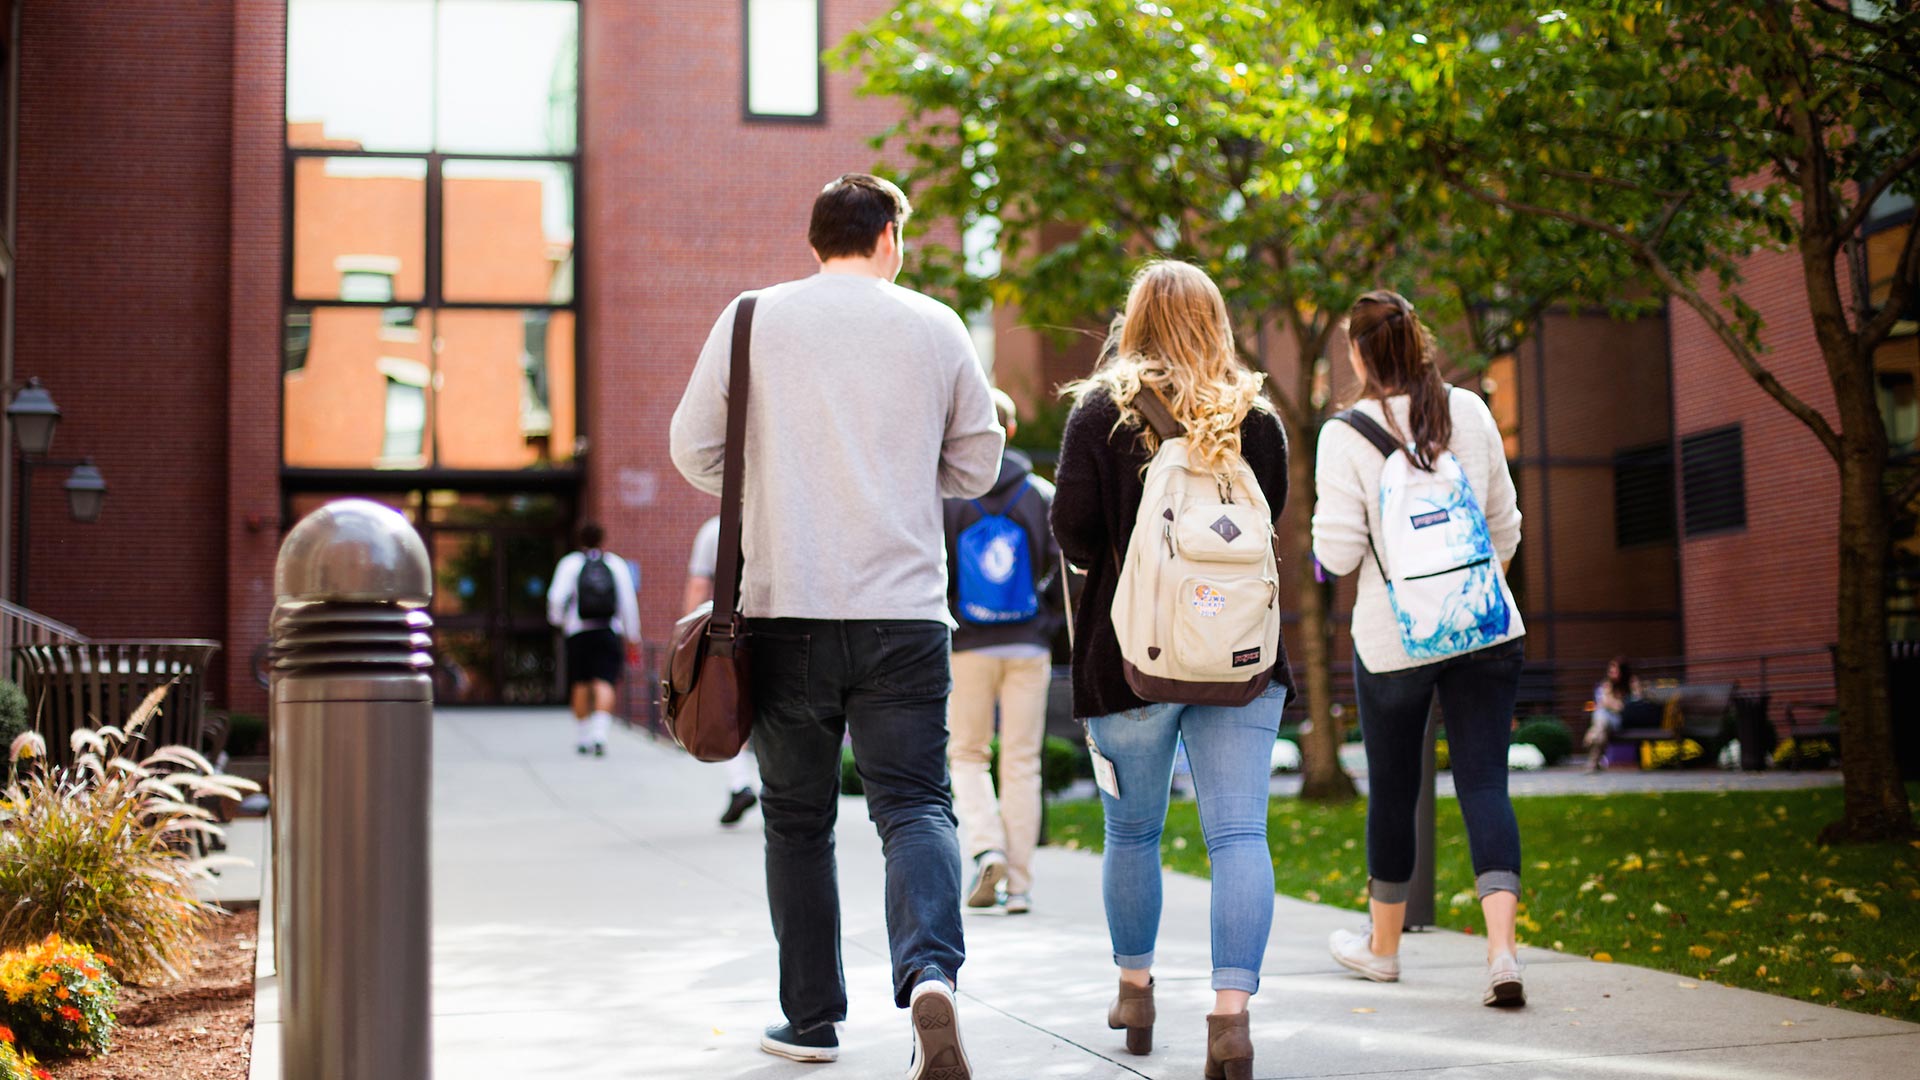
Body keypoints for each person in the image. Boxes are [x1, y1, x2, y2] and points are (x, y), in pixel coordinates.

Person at [669, 173, 1002, 1076]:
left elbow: (693, 446)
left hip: (786, 614)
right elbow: (978, 464)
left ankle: (811, 1020)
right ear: (890, 236)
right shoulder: (935, 325)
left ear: (816, 239)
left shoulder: (751, 317)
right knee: (915, 804)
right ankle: (931, 973)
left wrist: (779, 475)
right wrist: (896, 471)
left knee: (797, 819)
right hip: (903, 615)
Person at [1051, 261, 1294, 1080]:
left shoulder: (1099, 414)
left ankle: (1136, 990)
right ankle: (1230, 1022)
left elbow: (1075, 536)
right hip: (1241, 661)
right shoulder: (1255, 418)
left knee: (1133, 832)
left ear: (1135, 320)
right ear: (1216, 322)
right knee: (1237, 836)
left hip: (1130, 662)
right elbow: (1273, 522)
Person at [1311, 289, 1528, 1008]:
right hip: (1486, 628)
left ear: (1357, 354)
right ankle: (1502, 954)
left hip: (1394, 641)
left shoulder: (1345, 435)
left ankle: (1383, 951)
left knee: (1394, 795)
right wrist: (1468, 593)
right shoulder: (1467, 410)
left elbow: (1338, 557)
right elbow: (1505, 525)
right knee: (1485, 786)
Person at [942, 388, 1060, 916]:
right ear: (1011, 430)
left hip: (968, 645)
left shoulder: (949, 498)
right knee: (1021, 763)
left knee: (967, 753)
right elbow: (1062, 574)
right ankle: (1020, 885)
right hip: (1028, 644)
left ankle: (986, 845)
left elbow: (937, 569)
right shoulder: (1040, 494)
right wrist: (1046, 625)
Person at [684, 513, 761, 824]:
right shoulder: (782, 523)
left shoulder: (715, 529)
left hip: (733, 637)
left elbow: (699, 586)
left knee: (731, 709)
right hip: (787, 631)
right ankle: (774, 790)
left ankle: (740, 782)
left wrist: (688, 639)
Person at [545, 523, 642, 757]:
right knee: (604, 682)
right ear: (602, 539)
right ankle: (600, 735)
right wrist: (632, 636)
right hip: (607, 631)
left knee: (580, 683)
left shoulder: (570, 564)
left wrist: (559, 622)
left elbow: (555, 599)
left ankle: (583, 736)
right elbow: (628, 602)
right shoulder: (615, 564)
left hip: (578, 632)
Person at [1584, 656, 1641, 772]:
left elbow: (1629, 705)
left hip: (1620, 721)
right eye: (1610, 670)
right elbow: (1604, 703)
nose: (1611, 672)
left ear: (1622, 671)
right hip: (1605, 721)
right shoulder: (1607, 684)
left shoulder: (1632, 683)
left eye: (1615, 670)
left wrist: (1612, 704)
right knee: (1601, 727)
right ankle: (1592, 764)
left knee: (1601, 717)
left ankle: (1592, 734)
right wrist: (1613, 704)